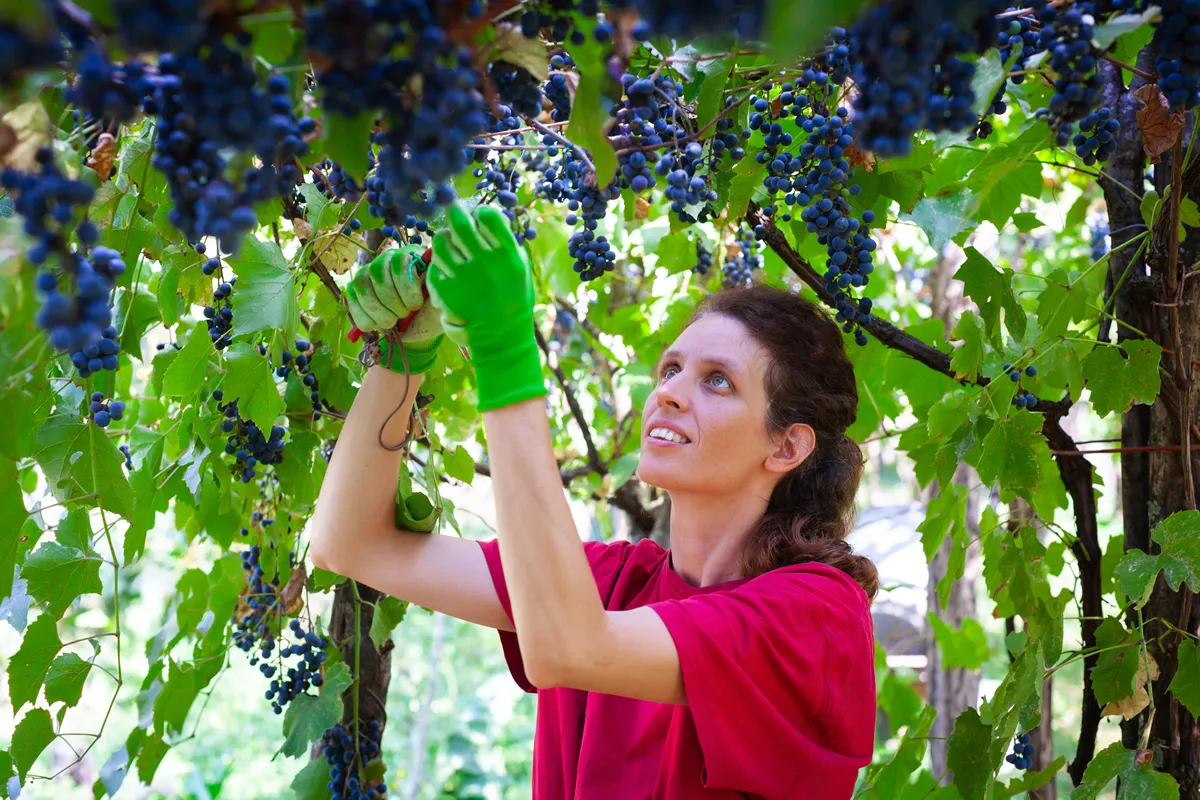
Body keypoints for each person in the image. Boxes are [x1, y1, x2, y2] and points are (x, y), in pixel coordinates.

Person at [311, 203, 879, 799]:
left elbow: (569, 647)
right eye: (670, 370)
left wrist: (506, 353)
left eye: (718, 381)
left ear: (787, 446)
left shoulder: (817, 615)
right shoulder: (610, 583)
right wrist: (404, 357)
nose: (669, 395)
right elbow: (350, 542)